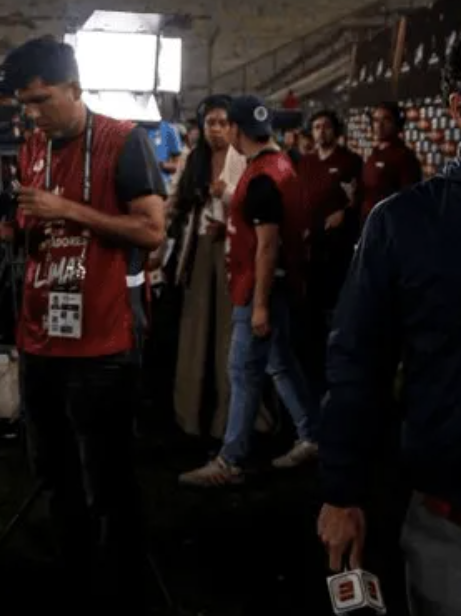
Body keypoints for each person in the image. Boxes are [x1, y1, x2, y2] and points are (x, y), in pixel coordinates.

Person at [0, 37, 166, 604]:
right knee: (53, 472)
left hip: (103, 342)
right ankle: (74, 575)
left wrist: (67, 210)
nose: (34, 114)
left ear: (75, 89)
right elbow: (39, 230)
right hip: (40, 337)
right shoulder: (31, 147)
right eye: (25, 104)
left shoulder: (124, 140)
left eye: (43, 101)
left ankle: (122, 586)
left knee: (108, 479)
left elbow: (151, 231)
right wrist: (10, 232)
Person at [318, 41, 461, 616]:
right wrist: (342, 490)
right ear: (458, 106)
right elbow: (358, 362)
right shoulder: (404, 224)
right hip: (449, 522)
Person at [179, 96, 319, 488]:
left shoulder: (261, 177)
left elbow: (267, 246)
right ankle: (312, 434)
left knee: (243, 372)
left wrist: (258, 305)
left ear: (236, 130)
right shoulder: (280, 165)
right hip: (275, 285)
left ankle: (231, 459)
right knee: (280, 364)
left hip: (259, 288)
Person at [169, 95, 249, 439]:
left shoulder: (244, 158)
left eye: (222, 123)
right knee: (195, 332)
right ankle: (189, 415)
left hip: (235, 252)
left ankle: (229, 420)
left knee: (229, 335)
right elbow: (174, 201)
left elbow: (255, 206)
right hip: (198, 249)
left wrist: (228, 215)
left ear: (233, 126)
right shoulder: (193, 159)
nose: (216, 129)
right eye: (210, 123)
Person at [296, 110, 363, 390]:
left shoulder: (350, 161)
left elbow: (358, 200)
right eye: (316, 126)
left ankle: (339, 363)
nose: (321, 131)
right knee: (310, 308)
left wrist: (345, 214)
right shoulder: (306, 163)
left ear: (335, 130)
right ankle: (312, 364)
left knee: (335, 306)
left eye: (326, 126)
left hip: (337, 247)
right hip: (309, 247)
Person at [359, 100, 421, 222]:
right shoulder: (374, 152)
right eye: (376, 120)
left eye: (386, 120)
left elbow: (408, 200)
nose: (379, 125)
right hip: (368, 222)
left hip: (388, 223)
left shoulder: (404, 156)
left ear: (397, 123)